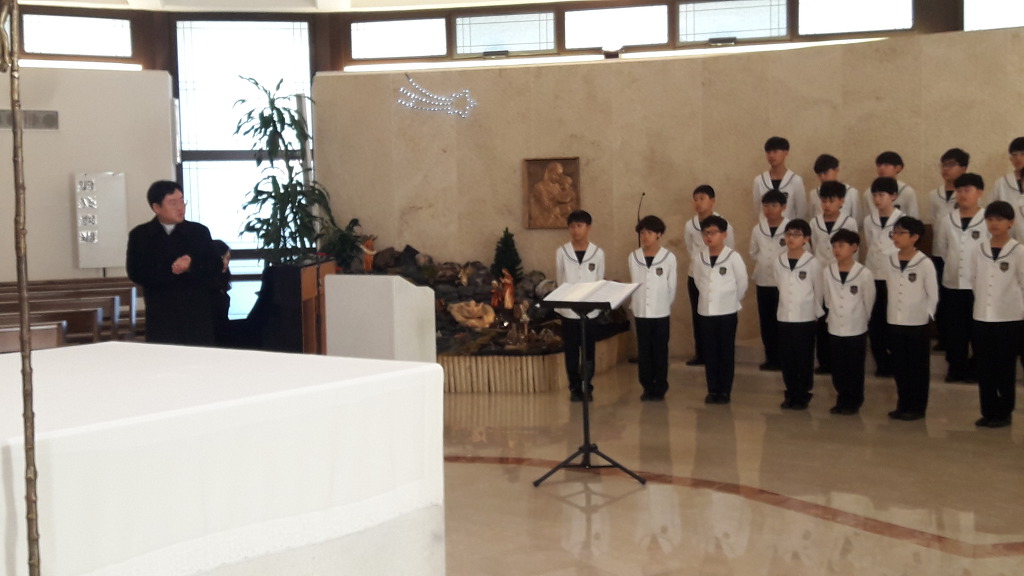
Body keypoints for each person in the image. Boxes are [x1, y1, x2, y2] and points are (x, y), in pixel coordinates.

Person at [127, 180, 221, 345]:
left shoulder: (199, 232)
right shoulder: (141, 235)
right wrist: (172, 269)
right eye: (173, 203)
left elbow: (215, 266)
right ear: (156, 208)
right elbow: (136, 272)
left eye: (182, 201)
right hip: (161, 312)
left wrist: (191, 264)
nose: (180, 207)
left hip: (196, 313)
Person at [968, 201, 1024, 428]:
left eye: (999, 219)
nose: (994, 223)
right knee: (985, 367)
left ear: (1011, 223)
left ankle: (1004, 412)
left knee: (1005, 366)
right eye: (990, 219)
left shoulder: (1018, 251)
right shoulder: (978, 250)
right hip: (982, 316)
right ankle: (988, 410)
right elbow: (974, 280)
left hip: (1009, 318)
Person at [933, 173, 988, 383]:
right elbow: (942, 250)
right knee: (955, 331)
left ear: (979, 192)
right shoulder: (947, 220)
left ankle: (977, 368)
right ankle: (956, 368)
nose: (963, 194)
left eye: (968, 190)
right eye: (959, 190)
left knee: (978, 330)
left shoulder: (988, 219)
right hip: (952, 284)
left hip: (979, 286)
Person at [884, 217, 938, 421]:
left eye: (901, 233)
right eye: (894, 232)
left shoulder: (924, 263)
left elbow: (933, 294)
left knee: (917, 368)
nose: (896, 237)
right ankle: (903, 404)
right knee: (900, 367)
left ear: (914, 237)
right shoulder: (889, 259)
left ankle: (917, 407)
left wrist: (926, 316)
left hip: (917, 324)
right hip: (895, 320)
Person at [694, 215, 748, 405]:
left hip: (727, 312)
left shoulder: (733, 257)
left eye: (713, 233)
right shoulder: (699, 257)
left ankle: (725, 390)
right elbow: (698, 281)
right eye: (706, 233)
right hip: (706, 311)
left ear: (724, 234)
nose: (709, 237)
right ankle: (713, 389)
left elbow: (742, 283)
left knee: (725, 352)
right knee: (710, 352)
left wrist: (730, 300)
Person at [555, 210, 606, 402]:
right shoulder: (562, 252)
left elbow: (599, 280)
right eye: (572, 226)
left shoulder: (597, 253)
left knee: (588, 351)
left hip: (590, 312)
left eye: (579, 226)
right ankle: (574, 388)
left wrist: (596, 307)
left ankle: (587, 386)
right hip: (569, 311)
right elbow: (560, 280)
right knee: (571, 351)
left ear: (588, 228)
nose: (575, 230)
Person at [823, 229, 875, 415]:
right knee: (838, 366)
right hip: (835, 326)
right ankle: (841, 398)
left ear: (854, 247)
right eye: (834, 246)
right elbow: (827, 298)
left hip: (856, 327)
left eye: (841, 245)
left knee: (854, 366)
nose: (836, 250)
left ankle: (854, 401)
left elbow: (868, 301)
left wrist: (860, 320)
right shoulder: (828, 271)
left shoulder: (864, 273)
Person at [810, 181, 859, 375]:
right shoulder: (814, 223)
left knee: (840, 315)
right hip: (821, 275)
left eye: (831, 201)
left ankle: (842, 359)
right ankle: (824, 361)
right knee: (822, 319)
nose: (827, 205)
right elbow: (812, 248)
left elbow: (855, 251)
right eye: (824, 201)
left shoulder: (849, 222)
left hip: (843, 276)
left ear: (841, 201)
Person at [683, 184, 734, 366]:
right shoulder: (689, 225)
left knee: (717, 316)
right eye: (695, 199)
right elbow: (690, 248)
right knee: (698, 315)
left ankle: (717, 352)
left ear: (712, 201)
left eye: (702, 198)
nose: (698, 203)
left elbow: (730, 248)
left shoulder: (723, 223)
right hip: (696, 275)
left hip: (718, 277)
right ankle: (701, 353)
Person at [774, 219, 823, 410]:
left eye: (796, 235)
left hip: (805, 317)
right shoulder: (779, 261)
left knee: (804, 357)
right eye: (788, 234)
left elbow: (818, 290)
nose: (791, 238)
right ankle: (791, 392)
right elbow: (779, 286)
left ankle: (803, 393)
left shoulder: (812, 262)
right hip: (785, 316)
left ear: (806, 239)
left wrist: (815, 314)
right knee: (787, 358)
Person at [629, 215, 677, 402]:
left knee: (660, 350)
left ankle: (660, 386)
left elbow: (671, 287)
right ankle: (647, 386)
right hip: (641, 311)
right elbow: (634, 283)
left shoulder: (668, 258)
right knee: (644, 351)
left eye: (649, 232)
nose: (645, 236)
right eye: (642, 233)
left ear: (659, 234)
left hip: (660, 312)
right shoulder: (634, 257)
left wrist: (662, 305)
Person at [927, 148, 969, 353]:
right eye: (943, 165)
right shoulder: (934, 195)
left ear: (963, 168)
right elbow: (934, 222)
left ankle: (963, 339)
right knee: (941, 297)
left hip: (961, 255)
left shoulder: (968, 194)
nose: (946, 169)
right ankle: (943, 336)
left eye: (951, 165)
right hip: (939, 252)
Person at [863, 177, 904, 377]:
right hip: (873, 276)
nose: (877, 199)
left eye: (882, 195)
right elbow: (870, 244)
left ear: (893, 196)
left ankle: (895, 361)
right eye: (875, 195)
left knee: (893, 321)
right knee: (875, 322)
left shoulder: (902, 220)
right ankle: (881, 362)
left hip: (893, 277)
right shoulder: (868, 220)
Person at [749, 189, 789, 371]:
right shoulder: (758, 229)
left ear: (783, 207)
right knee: (766, 322)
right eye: (766, 205)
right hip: (763, 281)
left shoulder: (790, 228)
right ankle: (770, 357)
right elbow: (753, 252)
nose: (769, 209)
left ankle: (783, 358)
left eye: (774, 205)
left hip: (784, 283)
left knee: (782, 321)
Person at [752, 136, 806, 220]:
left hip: (789, 226)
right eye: (768, 152)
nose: (771, 155)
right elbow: (758, 208)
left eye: (775, 151)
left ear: (785, 153)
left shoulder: (796, 180)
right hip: (765, 226)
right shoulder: (759, 180)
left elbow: (801, 211)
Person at [865, 151, 919, 219]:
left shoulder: (907, 191)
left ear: (898, 168)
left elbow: (913, 216)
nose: (881, 168)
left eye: (886, 165)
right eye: (879, 165)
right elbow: (867, 217)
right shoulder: (869, 193)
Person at [808, 154, 861, 222]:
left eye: (825, 173)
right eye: (819, 175)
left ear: (837, 170)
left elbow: (857, 219)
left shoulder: (851, 192)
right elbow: (812, 217)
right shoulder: (814, 194)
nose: (822, 177)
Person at [992, 137, 1024, 240]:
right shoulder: (1001, 183)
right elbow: (991, 212)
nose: (1018, 158)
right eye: (1014, 155)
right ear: (1010, 159)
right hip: (1007, 241)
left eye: (1022, 154)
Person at [210, 239, 233, 347]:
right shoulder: (204, 286)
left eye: (228, 259)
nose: (225, 262)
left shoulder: (222, 284)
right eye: (222, 258)